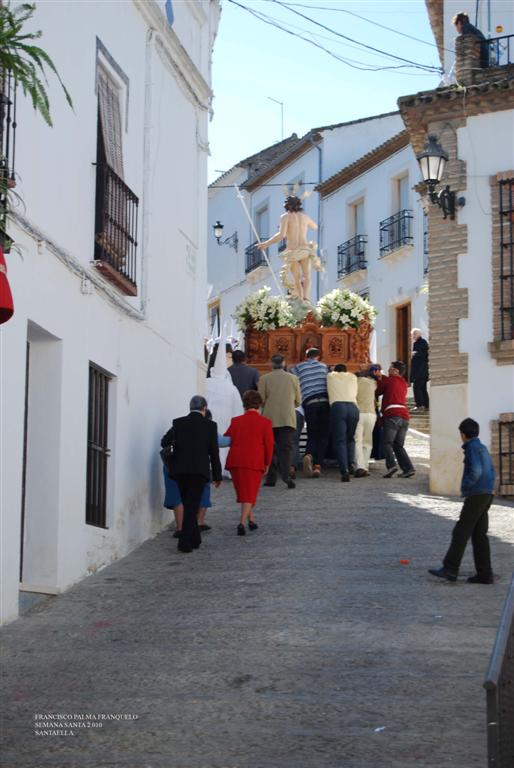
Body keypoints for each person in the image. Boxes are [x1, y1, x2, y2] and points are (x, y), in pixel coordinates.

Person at [429, 418, 495, 583]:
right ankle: (485, 574)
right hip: (487, 493)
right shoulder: (482, 447)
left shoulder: (472, 448)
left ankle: (450, 568)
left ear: (463, 434)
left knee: (461, 531)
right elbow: (491, 469)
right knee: (479, 534)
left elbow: (476, 471)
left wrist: (466, 485)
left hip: (477, 493)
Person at [161, 395, 222, 553]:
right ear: (204, 408)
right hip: (199, 471)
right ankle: (184, 542)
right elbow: (214, 453)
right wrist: (217, 475)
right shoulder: (210, 425)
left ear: (190, 407)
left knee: (188, 504)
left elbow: (164, 442)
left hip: (179, 471)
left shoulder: (178, 423)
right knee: (192, 506)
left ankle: (195, 539)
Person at [224, 390, 274, 536]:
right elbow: (269, 445)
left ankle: (251, 520)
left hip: (236, 461)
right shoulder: (265, 423)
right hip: (254, 461)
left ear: (244, 404)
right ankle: (242, 523)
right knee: (250, 494)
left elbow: (227, 438)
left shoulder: (236, 421)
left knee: (244, 492)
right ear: (259, 405)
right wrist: (267, 462)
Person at [257, 194, 322, 301]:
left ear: (286, 205)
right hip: (305, 250)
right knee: (307, 276)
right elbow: (315, 227)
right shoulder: (305, 217)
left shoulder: (285, 217)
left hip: (293, 251)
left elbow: (281, 235)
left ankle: (301, 300)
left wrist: (266, 244)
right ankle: (306, 298)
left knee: (297, 278)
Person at [258, 353, 301, 489]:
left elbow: (261, 400)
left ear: (271, 364)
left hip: (269, 418)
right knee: (286, 448)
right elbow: (298, 401)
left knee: (269, 448)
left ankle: (271, 478)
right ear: (284, 364)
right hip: (287, 417)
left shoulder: (264, 378)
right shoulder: (293, 378)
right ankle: (286, 476)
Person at [291, 348, 330, 478]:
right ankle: (318, 466)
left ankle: (308, 455)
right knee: (323, 436)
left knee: (312, 434)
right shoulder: (323, 366)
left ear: (306, 356)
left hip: (309, 403)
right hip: (324, 402)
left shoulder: (299, 367)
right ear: (318, 357)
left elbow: (291, 375)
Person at [373, 362, 415, 479]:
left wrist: (378, 378)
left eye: (390, 368)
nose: (388, 370)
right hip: (404, 416)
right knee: (398, 445)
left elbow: (378, 391)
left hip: (393, 415)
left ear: (396, 371)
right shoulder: (404, 383)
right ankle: (408, 469)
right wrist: (381, 377)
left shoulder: (390, 380)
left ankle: (391, 466)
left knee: (387, 443)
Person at [327, 364, 359, 482]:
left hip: (338, 407)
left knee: (340, 440)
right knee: (350, 438)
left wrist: (331, 369)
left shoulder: (331, 376)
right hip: (353, 407)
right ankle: (351, 465)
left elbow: (331, 371)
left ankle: (344, 470)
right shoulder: (353, 377)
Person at [354, 368, 378, 478]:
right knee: (368, 442)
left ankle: (360, 466)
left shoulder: (354, 383)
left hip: (359, 413)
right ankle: (365, 466)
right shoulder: (372, 383)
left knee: (357, 441)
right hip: (371, 414)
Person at [410, 329, 429, 411]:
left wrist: (414, 354)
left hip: (420, 371)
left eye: (415, 334)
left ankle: (420, 405)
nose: (413, 336)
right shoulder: (418, 343)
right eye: (412, 334)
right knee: (422, 388)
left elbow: (424, 354)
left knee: (417, 388)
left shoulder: (422, 342)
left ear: (419, 334)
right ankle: (426, 405)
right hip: (422, 371)